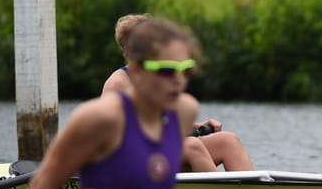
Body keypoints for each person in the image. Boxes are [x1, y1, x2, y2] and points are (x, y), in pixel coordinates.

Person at [10, 17, 271, 189]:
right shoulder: (100, 118)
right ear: (138, 69)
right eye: (168, 71)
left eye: (186, 71)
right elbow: (43, 184)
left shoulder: (184, 111)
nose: (179, 81)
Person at [103, 14, 253, 172]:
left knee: (228, 140)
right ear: (126, 49)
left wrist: (198, 127)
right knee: (192, 145)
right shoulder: (118, 84)